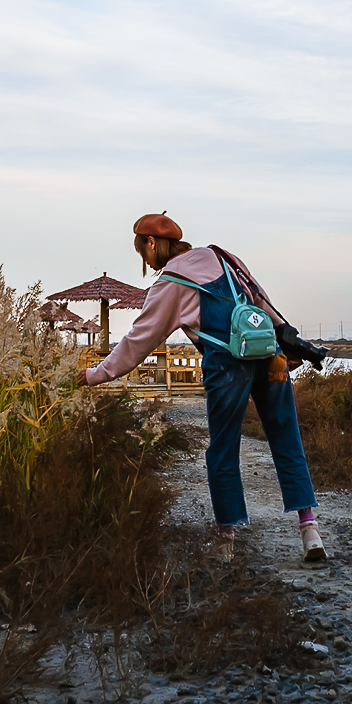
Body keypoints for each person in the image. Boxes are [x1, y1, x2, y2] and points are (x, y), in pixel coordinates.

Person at [78, 213, 325, 563]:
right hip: (270, 356)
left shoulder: (171, 283)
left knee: (223, 449)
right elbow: (263, 303)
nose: (145, 260)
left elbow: (138, 340)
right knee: (287, 438)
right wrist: (289, 347)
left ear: (151, 243)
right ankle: (310, 529)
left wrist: (95, 374)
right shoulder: (223, 256)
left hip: (226, 366)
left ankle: (226, 540)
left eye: (142, 252)